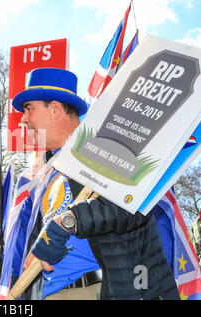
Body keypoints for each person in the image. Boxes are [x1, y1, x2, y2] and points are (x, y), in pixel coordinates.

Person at [11, 67, 179, 300]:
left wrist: (66, 221)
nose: (23, 118)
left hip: (96, 290)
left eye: (29, 108)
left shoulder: (104, 149)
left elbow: (131, 207)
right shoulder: (45, 174)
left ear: (56, 109)